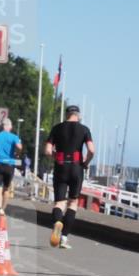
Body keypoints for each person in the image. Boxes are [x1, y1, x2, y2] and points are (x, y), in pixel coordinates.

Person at [44, 104, 95, 250]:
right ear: (78, 115)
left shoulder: (57, 128)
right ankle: (64, 238)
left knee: (59, 203)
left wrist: (56, 155)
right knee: (73, 203)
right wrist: (85, 162)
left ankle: (57, 223)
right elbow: (91, 150)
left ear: (66, 114)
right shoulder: (84, 129)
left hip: (60, 166)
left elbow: (48, 150)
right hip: (76, 167)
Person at [0, 118, 22, 215]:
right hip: (9, 164)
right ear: (9, 126)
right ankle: (3, 209)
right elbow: (19, 147)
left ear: (2, 126)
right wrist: (17, 153)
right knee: (6, 188)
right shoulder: (14, 137)